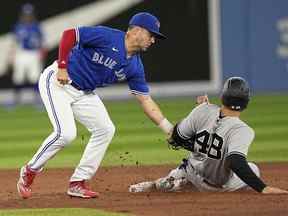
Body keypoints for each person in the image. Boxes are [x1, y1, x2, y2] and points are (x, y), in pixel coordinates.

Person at [16, 12, 178, 199]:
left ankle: (78, 182)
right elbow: (70, 34)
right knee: (66, 134)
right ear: (138, 31)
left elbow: (145, 100)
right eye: (152, 35)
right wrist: (62, 66)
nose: (153, 40)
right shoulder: (108, 36)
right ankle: (30, 170)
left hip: (84, 93)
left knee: (105, 129)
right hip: (58, 82)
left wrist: (168, 129)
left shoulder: (135, 66)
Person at [129, 77, 288, 194]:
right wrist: (263, 188)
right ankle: (180, 183)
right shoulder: (243, 130)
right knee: (253, 168)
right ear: (246, 102)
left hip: (193, 172)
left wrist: (199, 113)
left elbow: (176, 138)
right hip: (216, 187)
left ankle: (167, 181)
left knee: (196, 159)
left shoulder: (203, 110)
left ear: (222, 97)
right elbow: (236, 162)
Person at [9, 3, 46, 106]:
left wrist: (42, 53)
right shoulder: (18, 27)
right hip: (21, 53)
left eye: (29, 14)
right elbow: (14, 42)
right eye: (26, 14)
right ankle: (16, 101)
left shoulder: (37, 27)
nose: (27, 16)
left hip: (33, 53)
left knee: (35, 77)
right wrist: (12, 56)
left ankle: (38, 101)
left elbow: (42, 42)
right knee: (18, 77)